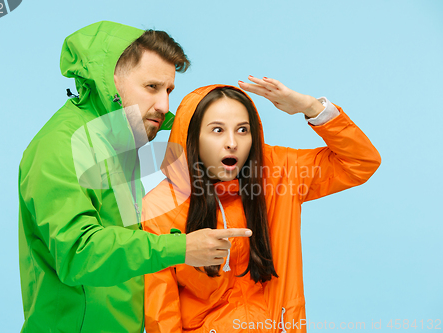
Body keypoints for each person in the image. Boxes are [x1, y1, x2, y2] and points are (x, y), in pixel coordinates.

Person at [18, 21, 252, 333]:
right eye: (151, 87)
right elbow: (79, 253)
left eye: (169, 90)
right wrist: (181, 248)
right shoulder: (60, 147)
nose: (163, 104)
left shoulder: (116, 139)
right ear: (110, 79)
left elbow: (124, 236)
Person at [142, 78, 381, 333]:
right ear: (192, 137)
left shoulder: (279, 174)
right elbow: (161, 315)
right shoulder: (159, 208)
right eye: (217, 130)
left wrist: (311, 107)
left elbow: (360, 162)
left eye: (243, 130)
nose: (232, 142)